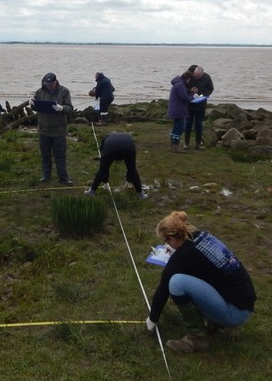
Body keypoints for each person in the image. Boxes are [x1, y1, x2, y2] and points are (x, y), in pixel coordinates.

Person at [145, 211, 256, 353]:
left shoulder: (184, 254)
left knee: (176, 282)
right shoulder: (202, 236)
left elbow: (164, 287)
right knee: (188, 276)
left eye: (165, 241)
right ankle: (214, 323)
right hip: (244, 302)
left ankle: (196, 339)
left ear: (172, 239)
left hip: (234, 312)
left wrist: (152, 319)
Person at [32, 72, 74, 185]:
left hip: (59, 130)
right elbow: (35, 106)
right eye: (47, 83)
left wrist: (61, 108)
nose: (48, 86)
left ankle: (63, 178)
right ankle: (46, 176)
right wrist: (32, 104)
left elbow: (70, 108)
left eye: (50, 84)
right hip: (43, 129)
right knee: (45, 155)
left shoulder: (64, 91)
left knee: (60, 155)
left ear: (55, 81)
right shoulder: (40, 92)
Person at [83, 131, 146, 199]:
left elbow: (102, 154)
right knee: (132, 169)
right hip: (129, 149)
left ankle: (92, 192)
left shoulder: (106, 138)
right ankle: (140, 194)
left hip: (111, 150)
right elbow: (132, 143)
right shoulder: (127, 135)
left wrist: (104, 160)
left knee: (103, 170)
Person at [184, 65, 214, 150]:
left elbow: (211, 89)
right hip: (190, 103)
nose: (196, 78)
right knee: (188, 123)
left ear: (202, 74)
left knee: (199, 124)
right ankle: (186, 143)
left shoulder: (207, 77)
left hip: (201, 103)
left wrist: (204, 96)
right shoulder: (189, 77)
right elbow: (183, 88)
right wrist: (190, 91)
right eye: (195, 76)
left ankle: (198, 143)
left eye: (198, 77)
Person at [167, 71, 194, 152]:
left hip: (175, 109)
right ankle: (176, 146)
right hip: (178, 110)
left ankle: (173, 145)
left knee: (176, 127)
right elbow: (184, 98)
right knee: (179, 128)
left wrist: (191, 93)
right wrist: (193, 97)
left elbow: (183, 95)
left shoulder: (178, 83)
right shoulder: (180, 85)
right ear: (188, 78)